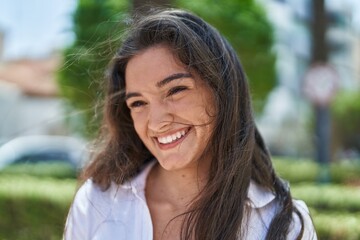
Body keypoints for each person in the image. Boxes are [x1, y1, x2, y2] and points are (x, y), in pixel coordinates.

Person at [64, 8, 317, 240]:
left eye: (175, 90)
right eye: (138, 103)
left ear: (221, 91)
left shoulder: (284, 224)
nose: (157, 122)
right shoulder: (96, 203)